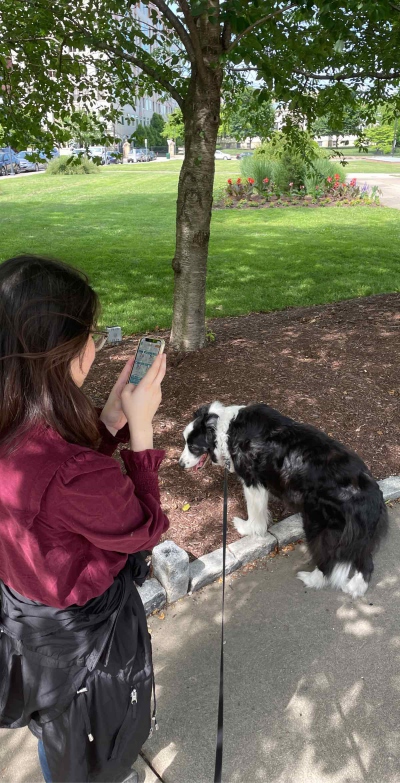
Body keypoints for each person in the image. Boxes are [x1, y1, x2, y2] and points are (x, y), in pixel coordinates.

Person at [0, 255, 169, 783]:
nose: (96, 342)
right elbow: (144, 528)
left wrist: (111, 420)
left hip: (28, 619)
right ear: (63, 350)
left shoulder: (17, 421)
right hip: (84, 638)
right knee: (93, 734)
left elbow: (53, 486)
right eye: (90, 331)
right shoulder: (73, 473)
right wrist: (140, 432)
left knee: (57, 724)